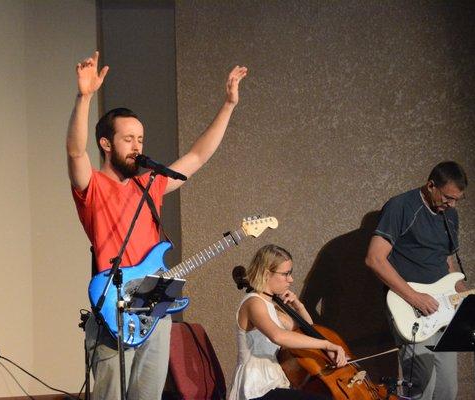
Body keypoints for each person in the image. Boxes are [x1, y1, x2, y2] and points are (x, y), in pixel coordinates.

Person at [67, 50, 247, 400]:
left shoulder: (150, 184)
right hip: (113, 310)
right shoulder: (94, 186)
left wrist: (227, 105)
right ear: (106, 144)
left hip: (155, 310)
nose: (137, 146)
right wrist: (84, 97)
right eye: (128, 139)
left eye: (140, 139)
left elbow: (196, 157)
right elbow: (75, 152)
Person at [365, 161, 468, 399]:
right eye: (447, 197)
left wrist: (462, 294)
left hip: (443, 309)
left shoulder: (450, 216)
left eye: (456, 200)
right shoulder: (400, 206)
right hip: (411, 307)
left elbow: (447, 262)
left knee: (447, 389)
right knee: (423, 384)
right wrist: (416, 298)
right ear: (431, 185)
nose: (451, 204)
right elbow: (374, 259)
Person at [229, 244, 347, 400]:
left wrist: (300, 306)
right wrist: (327, 344)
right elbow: (279, 336)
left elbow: (307, 330)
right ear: (266, 274)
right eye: (286, 274)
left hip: (273, 384)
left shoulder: (272, 307)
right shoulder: (254, 303)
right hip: (256, 388)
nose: (291, 279)